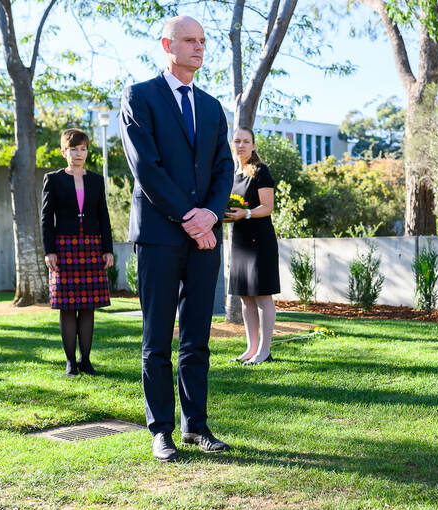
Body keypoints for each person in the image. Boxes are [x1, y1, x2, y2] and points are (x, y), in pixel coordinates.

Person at [120, 15, 234, 463]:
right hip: (160, 236)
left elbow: (224, 167)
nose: (198, 48)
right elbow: (145, 165)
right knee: (156, 340)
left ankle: (197, 426)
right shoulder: (139, 96)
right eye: (189, 40)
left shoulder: (211, 106)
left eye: (203, 41)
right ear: (167, 44)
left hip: (204, 238)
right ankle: (161, 430)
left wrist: (208, 215)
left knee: (197, 338)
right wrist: (189, 216)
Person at [41, 128, 114, 378]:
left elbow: (103, 216)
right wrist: (49, 250)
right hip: (64, 248)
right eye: (73, 149)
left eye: (83, 149)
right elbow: (45, 219)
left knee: (89, 306)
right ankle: (70, 362)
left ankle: (86, 360)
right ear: (64, 151)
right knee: (67, 307)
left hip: (92, 247)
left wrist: (108, 249)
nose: (79, 153)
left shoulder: (96, 180)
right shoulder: (53, 179)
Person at [225, 127, 280, 365]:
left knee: (263, 297)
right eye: (237, 141)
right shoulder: (231, 174)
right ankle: (251, 349)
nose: (241, 145)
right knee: (246, 297)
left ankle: (265, 351)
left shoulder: (261, 171)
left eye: (246, 141)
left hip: (260, 241)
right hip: (239, 240)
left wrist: (245, 213)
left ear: (253, 145)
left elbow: (267, 207)